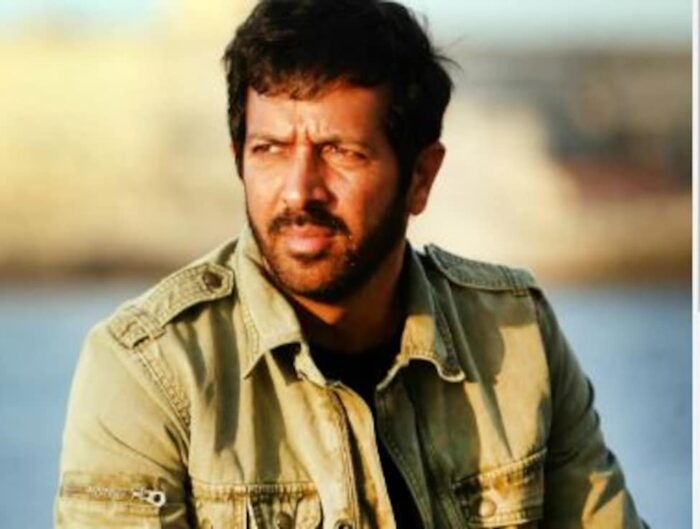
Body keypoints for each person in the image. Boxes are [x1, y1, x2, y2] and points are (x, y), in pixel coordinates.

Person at [54, 0, 647, 527]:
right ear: (239, 159)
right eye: (270, 150)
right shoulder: (150, 370)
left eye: (341, 152)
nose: (299, 191)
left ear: (420, 177)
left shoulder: (516, 339)